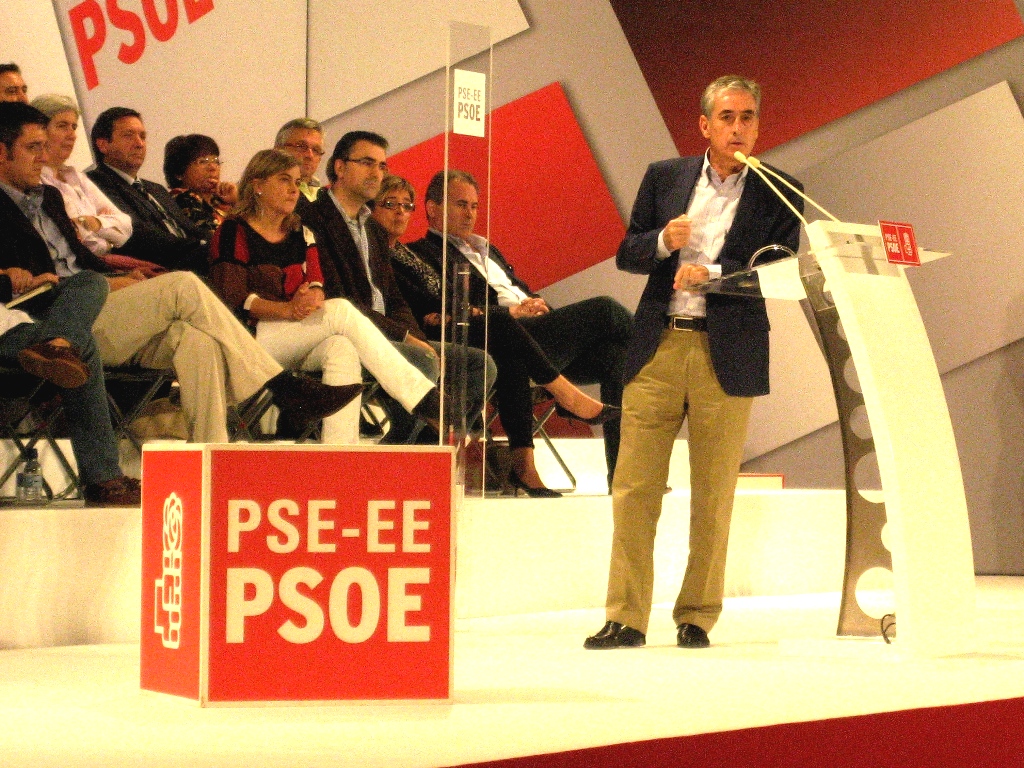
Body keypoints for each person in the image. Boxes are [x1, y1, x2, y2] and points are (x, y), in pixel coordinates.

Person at [583, 75, 804, 651]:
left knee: (714, 493)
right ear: (705, 125)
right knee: (634, 487)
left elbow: (780, 269)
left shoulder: (781, 189)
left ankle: (697, 615)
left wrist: (715, 273)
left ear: (758, 125)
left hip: (726, 351)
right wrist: (662, 241)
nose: (738, 128)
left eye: (748, 117)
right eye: (727, 117)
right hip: (658, 345)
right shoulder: (665, 177)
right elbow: (628, 253)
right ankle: (625, 616)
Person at [0, 102, 361, 443]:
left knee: (197, 341)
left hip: (103, 301)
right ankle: (280, 386)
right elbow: (44, 279)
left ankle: (212, 457)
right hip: (56, 322)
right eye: (34, 147)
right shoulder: (28, 199)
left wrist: (118, 278)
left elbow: (97, 250)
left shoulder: (49, 197)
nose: (43, 156)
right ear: (2, 152)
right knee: (184, 284)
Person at [406, 170, 632, 492]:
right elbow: (453, 310)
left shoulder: (487, 248)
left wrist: (535, 303)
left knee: (615, 357)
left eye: (474, 205)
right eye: (460, 204)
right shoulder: (424, 254)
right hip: (501, 340)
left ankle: (623, 476)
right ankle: (661, 354)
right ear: (432, 208)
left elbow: (515, 289)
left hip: (536, 336)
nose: (470, 213)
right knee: (605, 310)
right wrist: (510, 312)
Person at [209, 148, 441, 444]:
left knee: (341, 348)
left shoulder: (300, 232)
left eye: (297, 182)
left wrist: (313, 297)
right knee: (341, 310)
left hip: (295, 334)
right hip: (247, 339)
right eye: (284, 180)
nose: (294, 190)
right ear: (257, 185)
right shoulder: (233, 231)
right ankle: (422, 398)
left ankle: (339, 453)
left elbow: (317, 283)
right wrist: (287, 310)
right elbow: (231, 298)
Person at [299, 131, 494, 445]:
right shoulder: (314, 218)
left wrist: (417, 338)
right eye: (366, 163)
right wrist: (407, 338)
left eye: (382, 166)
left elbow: (394, 298)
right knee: (422, 360)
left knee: (479, 365)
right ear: (339, 167)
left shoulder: (373, 228)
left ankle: (425, 450)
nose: (376, 173)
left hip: (389, 333)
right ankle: (404, 452)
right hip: (344, 336)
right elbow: (339, 299)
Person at [1, 269, 139, 505]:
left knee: (90, 279)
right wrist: (6, 278)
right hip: (5, 336)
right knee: (82, 343)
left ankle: (58, 344)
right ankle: (102, 479)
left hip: (18, 317)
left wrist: (29, 282)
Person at [86, 107, 209, 273]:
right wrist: (200, 248)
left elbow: (190, 228)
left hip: (194, 259)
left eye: (142, 136)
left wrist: (217, 244)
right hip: (161, 267)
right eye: (128, 136)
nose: (139, 144)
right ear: (103, 145)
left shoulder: (156, 189)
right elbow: (136, 234)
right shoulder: (95, 183)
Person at [30, 94, 135, 263]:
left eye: (74, 127)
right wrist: (105, 227)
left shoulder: (76, 176)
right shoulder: (35, 180)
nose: (72, 135)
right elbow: (82, 241)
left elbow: (126, 227)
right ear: (40, 131)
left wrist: (91, 222)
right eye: (62, 126)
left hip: (105, 263)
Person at [164, 133, 236, 239]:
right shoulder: (182, 199)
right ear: (179, 173)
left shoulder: (221, 201)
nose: (213, 167)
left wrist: (237, 200)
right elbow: (217, 239)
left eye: (216, 161)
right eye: (202, 162)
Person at [274, 118, 326, 202]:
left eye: (316, 150)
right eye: (301, 146)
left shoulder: (323, 194)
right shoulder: (268, 190)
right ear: (279, 150)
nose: (310, 155)